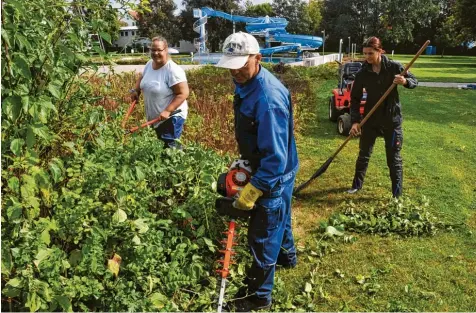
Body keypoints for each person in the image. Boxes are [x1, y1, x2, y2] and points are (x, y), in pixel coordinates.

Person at [216, 32, 299, 311]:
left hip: (273, 172)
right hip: (272, 165)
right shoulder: (245, 81)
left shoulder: (268, 98)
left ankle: (258, 296)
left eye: (241, 63)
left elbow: (275, 158)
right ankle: (288, 257)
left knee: (263, 234)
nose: (235, 70)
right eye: (231, 64)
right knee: (281, 218)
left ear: (258, 59)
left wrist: (254, 189)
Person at [348, 36, 418, 197]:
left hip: (391, 120)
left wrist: (404, 81)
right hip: (370, 119)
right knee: (363, 155)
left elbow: (414, 80)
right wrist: (355, 121)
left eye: (370, 53)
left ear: (380, 51)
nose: (367, 57)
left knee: (393, 159)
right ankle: (356, 186)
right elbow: (355, 98)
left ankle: (396, 195)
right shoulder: (363, 73)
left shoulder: (393, 67)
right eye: (365, 54)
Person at [130, 36, 189, 149]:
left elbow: (183, 93)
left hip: (171, 117)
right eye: (153, 50)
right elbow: (141, 78)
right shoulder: (149, 64)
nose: (155, 53)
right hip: (156, 118)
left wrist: (167, 110)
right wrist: (135, 90)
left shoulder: (173, 70)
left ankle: (181, 165)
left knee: (170, 149)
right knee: (161, 148)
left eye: (159, 50)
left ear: (166, 50)